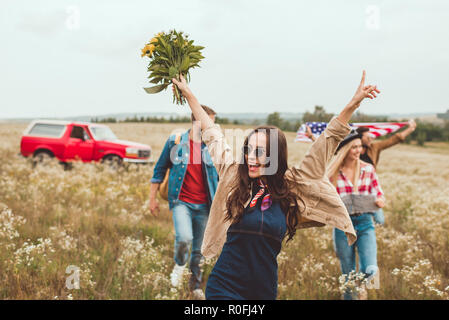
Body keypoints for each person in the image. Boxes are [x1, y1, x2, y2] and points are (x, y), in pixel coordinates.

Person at [172, 70, 380, 300]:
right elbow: (212, 133)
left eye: (259, 152)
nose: (251, 157)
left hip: (263, 290)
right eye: (248, 150)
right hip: (224, 286)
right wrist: (189, 94)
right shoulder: (234, 176)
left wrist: (353, 103)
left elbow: (328, 140)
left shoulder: (292, 185)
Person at [148, 105, 219, 299]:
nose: (211, 127)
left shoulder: (214, 146)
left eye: (213, 123)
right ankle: (179, 268)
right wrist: (152, 199)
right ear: (197, 120)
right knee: (185, 239)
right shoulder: (175, 142)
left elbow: (223, 176)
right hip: (182, 202)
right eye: (208, 122)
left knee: (200, 250)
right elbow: (159, 170)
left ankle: (195, 286)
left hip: (205, 206)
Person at [328, 131, 385, 300]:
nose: (358, 150)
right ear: (345, 149)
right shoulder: (333, 173)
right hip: (342, 225)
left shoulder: (368, 169)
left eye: (359, 146)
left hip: (365, 221)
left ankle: (360, 286)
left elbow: (379, 192)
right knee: (347, 272)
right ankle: (350, 295)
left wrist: (380, 200)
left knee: (370, 268)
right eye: (354, 147)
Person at [356, 120, 416, 224]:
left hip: (370, 190)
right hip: (355, 190)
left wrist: (410, 129)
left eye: (370, 136)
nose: (370, 138)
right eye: (367, 136)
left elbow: (393, 140)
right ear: (359, 138)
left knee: (380, 220)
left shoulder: (374, 148)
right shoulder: (351, 151)